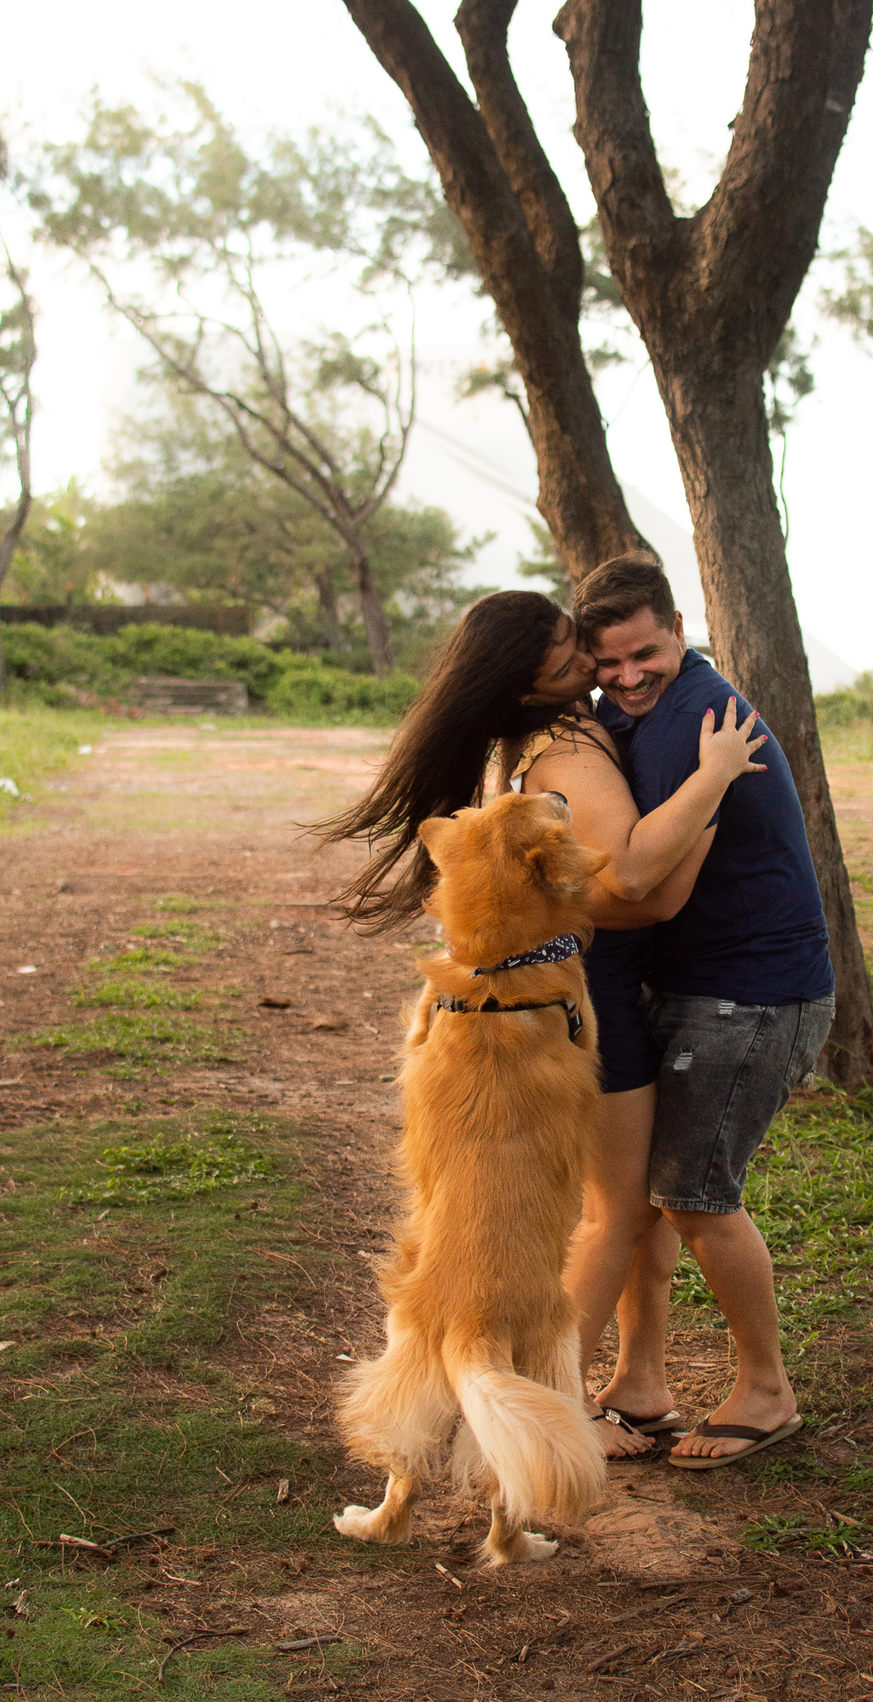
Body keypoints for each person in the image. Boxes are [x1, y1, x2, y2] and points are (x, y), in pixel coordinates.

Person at [317, 588, 765, 1457]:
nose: (597, 659)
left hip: (577, 993)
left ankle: (635, 1385)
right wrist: (711, 803)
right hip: (588, 1001)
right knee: (613, 1215)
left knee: (629, 1210)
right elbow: (632, 887)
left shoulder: (531, 743)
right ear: (535, 675)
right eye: (575, 646)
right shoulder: (567, 746)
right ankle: (531, 1418)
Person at [564, 555, 836, 1469]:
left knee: (695, 1198)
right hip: (696, 988)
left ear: (677, 627)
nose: (629, 676)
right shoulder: (625, 717)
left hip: (750, 994)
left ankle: (766, 1390)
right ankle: (641, 1386)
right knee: (646, 1194)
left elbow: (649, 884)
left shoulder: (700, 721)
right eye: (609, 665)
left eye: (645, 653)